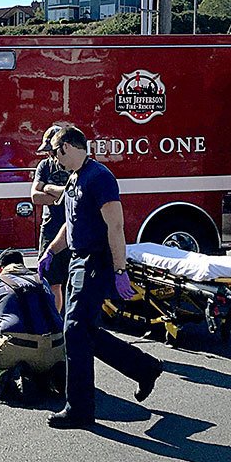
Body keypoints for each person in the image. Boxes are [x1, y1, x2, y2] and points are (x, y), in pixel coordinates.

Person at [38, 125, 164, 428]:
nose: (53, 159)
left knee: (75, 331)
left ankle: (79, 410)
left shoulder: (100, 178)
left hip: (96, 261)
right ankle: (144, 367)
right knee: (84, 331)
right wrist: (51, 252)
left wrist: (120, 270)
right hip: (77, 260)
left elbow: (116, 227)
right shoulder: (74, 178)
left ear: (67, 147)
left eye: (54, 152)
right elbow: (70, 224)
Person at [0, 249, 66, 403]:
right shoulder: (42, 281)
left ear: (0, 269)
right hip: (57, 347)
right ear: (22, 266)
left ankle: (9, 382)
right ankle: (52, 377)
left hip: (17, 346)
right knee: (40, 362)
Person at [31, 125, 71, 312]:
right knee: (51, 281)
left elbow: (73, 193)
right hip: (50, 228)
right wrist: (59, 200)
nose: (50, 156)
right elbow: (34, 196)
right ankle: (55, 322)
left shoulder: (76, 165)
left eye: (52, 151)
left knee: (74, 281)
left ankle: (72, 324)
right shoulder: (44, 166)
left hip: (74, 228)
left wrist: (48, 188)